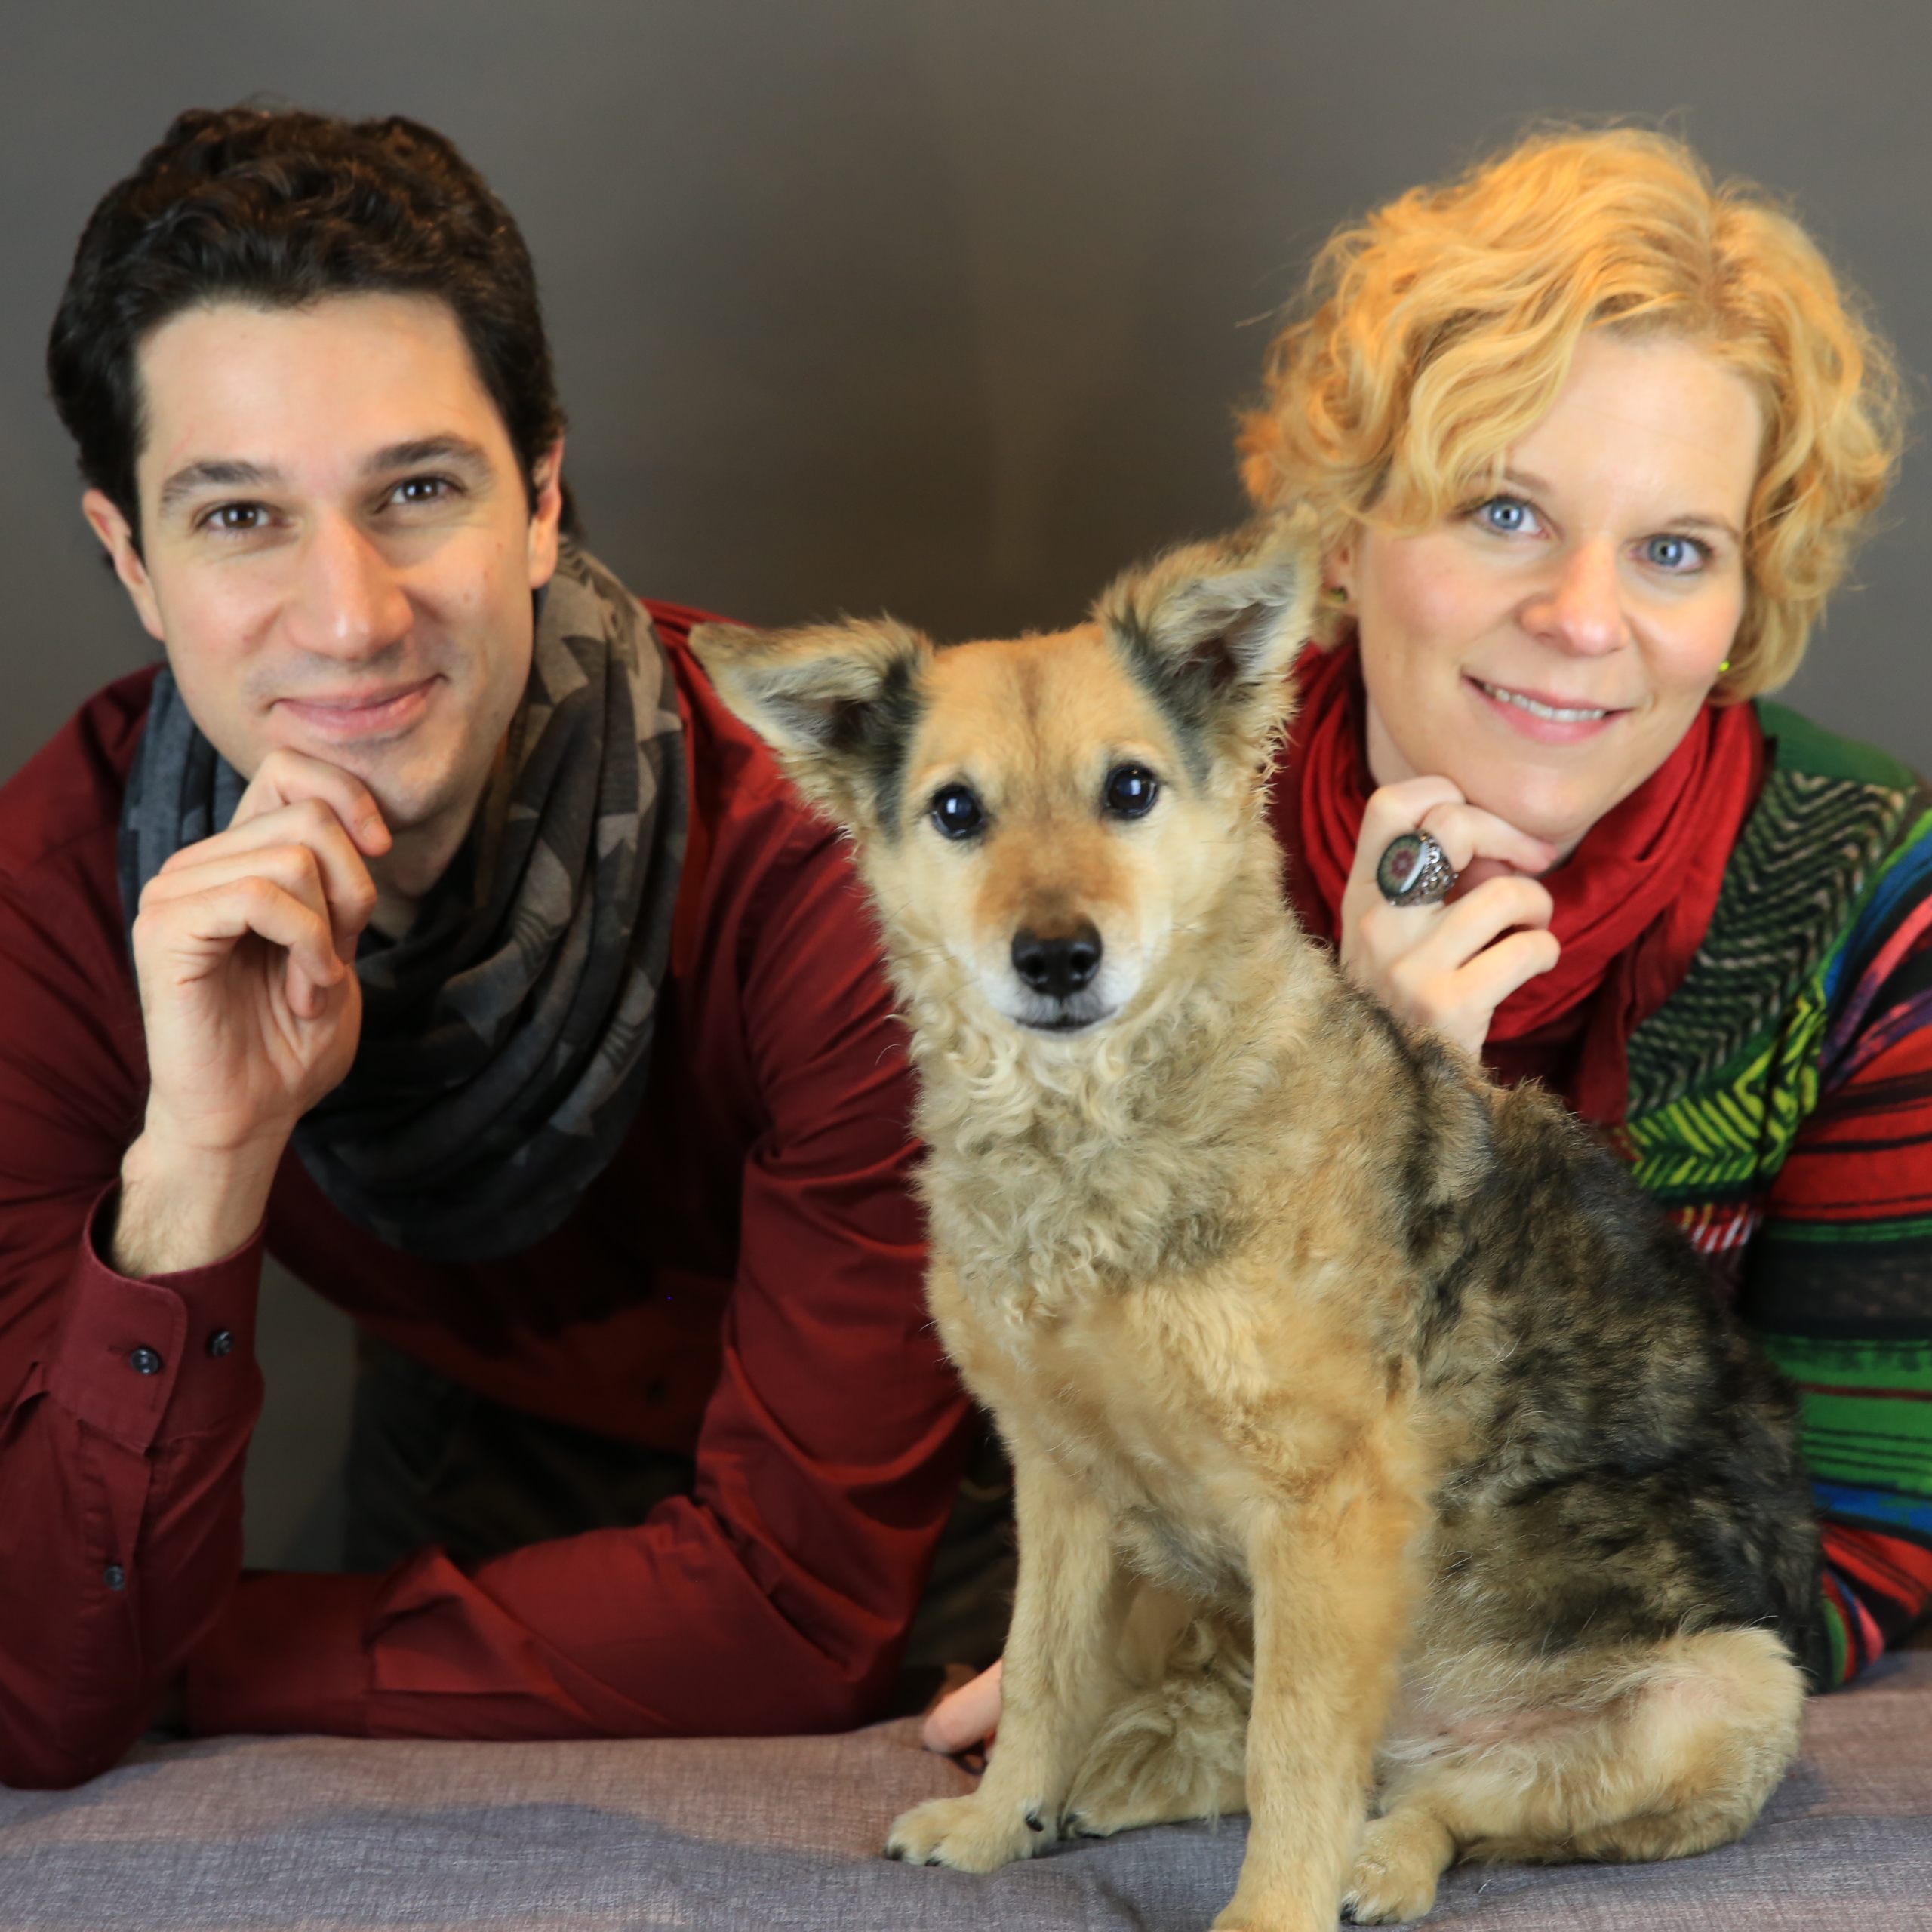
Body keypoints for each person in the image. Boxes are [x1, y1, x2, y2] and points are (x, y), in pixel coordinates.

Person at [0, 105, 997, 1792]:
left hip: (923, 1510)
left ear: (540, 497)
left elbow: (793, 1599)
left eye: (416, 489)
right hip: (463, 1466)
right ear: (131, 560)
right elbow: (39, 1676)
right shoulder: (60, 892)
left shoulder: (836, 867)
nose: (349, 616)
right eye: (238, 516)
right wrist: (203, 1160)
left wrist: (202, 1653)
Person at [926, 125, 1930, 1757]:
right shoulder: (1112, 839)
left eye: (1672, 549)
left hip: (1565, 1723)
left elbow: (1850, 1550)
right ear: (1339, 537)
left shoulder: (1875, 903)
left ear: (1741, 604)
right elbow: (1018, 1436)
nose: (1585, 619)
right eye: (1505, 512)